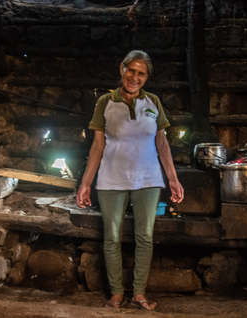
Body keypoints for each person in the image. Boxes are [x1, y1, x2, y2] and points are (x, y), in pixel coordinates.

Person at [76, 50, 184, 311]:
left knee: (144, 237)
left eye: (141, 73)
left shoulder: (153, 102)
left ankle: (139, 293)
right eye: (131, 70)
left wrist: (173, 179)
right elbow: (97, 146)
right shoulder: (105, 101)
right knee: (112, 237)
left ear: (146, 77)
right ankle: (116, 293)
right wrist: (86, 183)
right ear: (121, 69)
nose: (135, 77)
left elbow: (162, 143)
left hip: (148, 179)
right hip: (112, 178)